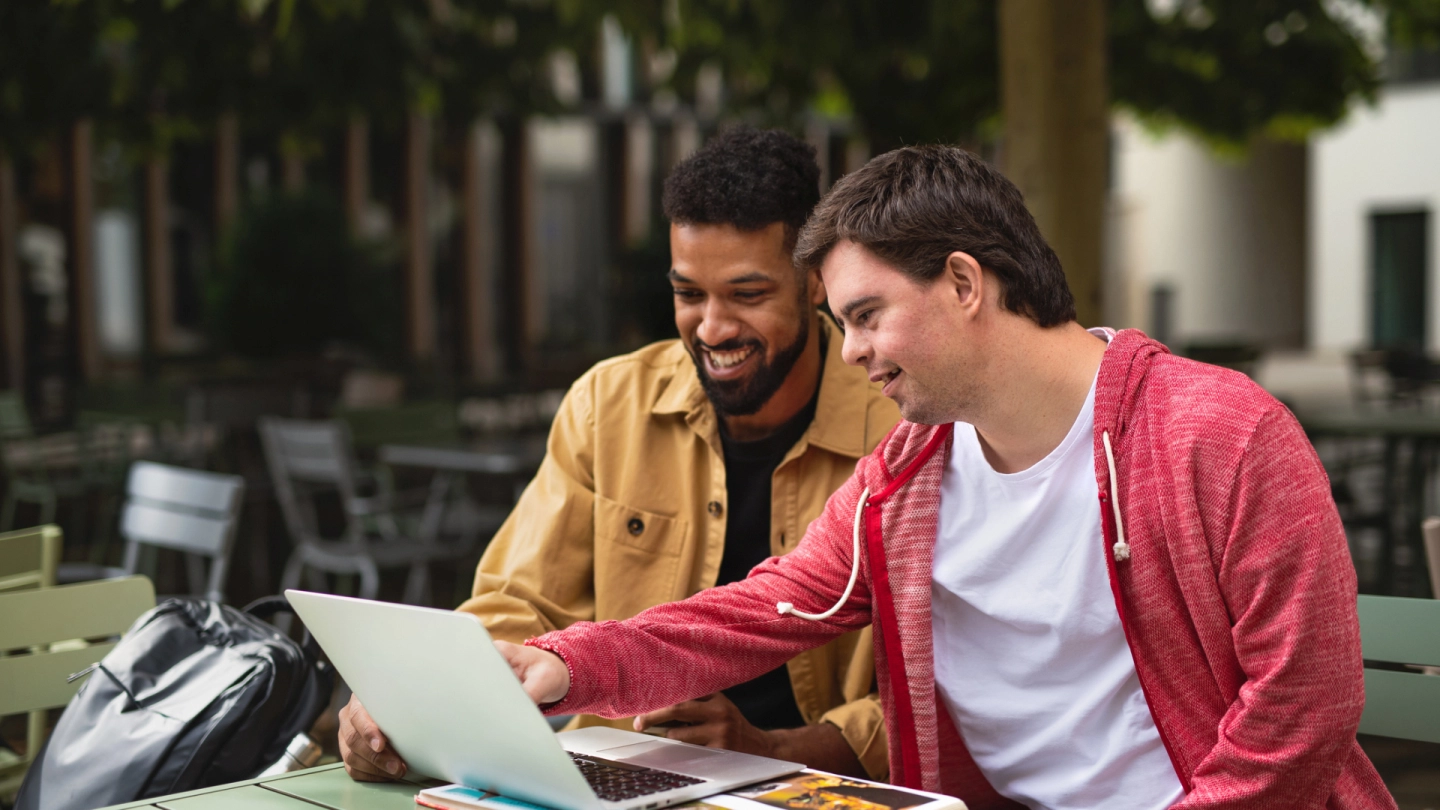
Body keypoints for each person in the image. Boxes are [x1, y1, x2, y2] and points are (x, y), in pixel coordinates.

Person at [500, 145, 1394, 809]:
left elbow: (1303, 711)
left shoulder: (1220, 433)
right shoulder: (910, 472)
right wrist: (560, 666)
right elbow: (758, 609)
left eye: (865, 315)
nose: (848, 352)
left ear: (965, 282)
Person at [338, 128, 900, 783]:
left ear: (815, 283)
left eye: (747, 295)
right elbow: (516, 603)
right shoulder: (610, 404)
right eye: (689, 294)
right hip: (602, 779)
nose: (712, 328)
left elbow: (941, 693)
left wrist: (774, 751)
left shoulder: (900, 428)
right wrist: (414, 704)